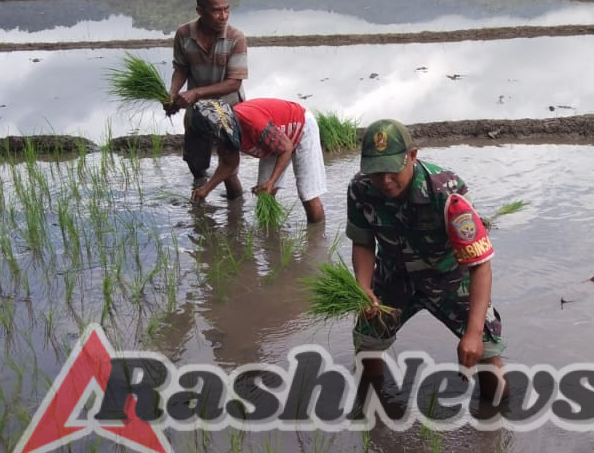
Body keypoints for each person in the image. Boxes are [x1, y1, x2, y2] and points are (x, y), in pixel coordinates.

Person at [345, 119, 507, 400]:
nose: (384, 180)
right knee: (367, 342)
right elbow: (363, 242)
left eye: (392, 170)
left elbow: (480, 264)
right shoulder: (360, 189)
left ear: (412, 156)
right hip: (393, 276)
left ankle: (496, 421)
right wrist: (363, 286)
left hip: (448, 277)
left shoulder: (446, 192)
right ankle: (372, 412)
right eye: (376, 171)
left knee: (485, 350)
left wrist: (473, 331)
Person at [166, 0, 247, 198]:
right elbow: (181, 68)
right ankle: (200, 199)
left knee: (229, 169)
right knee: (195, 162)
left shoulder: (236, 38)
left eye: (226, 9)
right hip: (197, 111)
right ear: (200, 11)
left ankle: (235, 216)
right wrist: (172, 93)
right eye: (217, 10)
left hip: (229, 110)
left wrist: (195, 93)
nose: (224, 16)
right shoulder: (183, 34)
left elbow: (234, 83)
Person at [188, 98, 327, 224]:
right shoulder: (226, 132)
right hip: (275, 140)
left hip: (301, 127)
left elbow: (286, 148)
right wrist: (205, 190)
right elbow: (229, 164)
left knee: (308, 194)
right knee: (265, 196)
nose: (217, 146)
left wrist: (271, 182)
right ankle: (271, 236)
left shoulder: (254, 125)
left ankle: (316, 241)